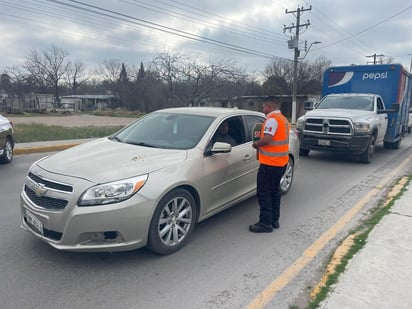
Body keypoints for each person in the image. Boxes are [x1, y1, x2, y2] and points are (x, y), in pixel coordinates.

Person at [249, 96, 289, 233]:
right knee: (274, 192)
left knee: (264, 193)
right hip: (281, 163)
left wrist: (256, 144)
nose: (263, 109)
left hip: (270, 164)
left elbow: (267, 138)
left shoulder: (272, 120)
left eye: (264, 106)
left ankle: (265, 223)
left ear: (269, 107)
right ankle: (274, 220)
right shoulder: (283, 119)